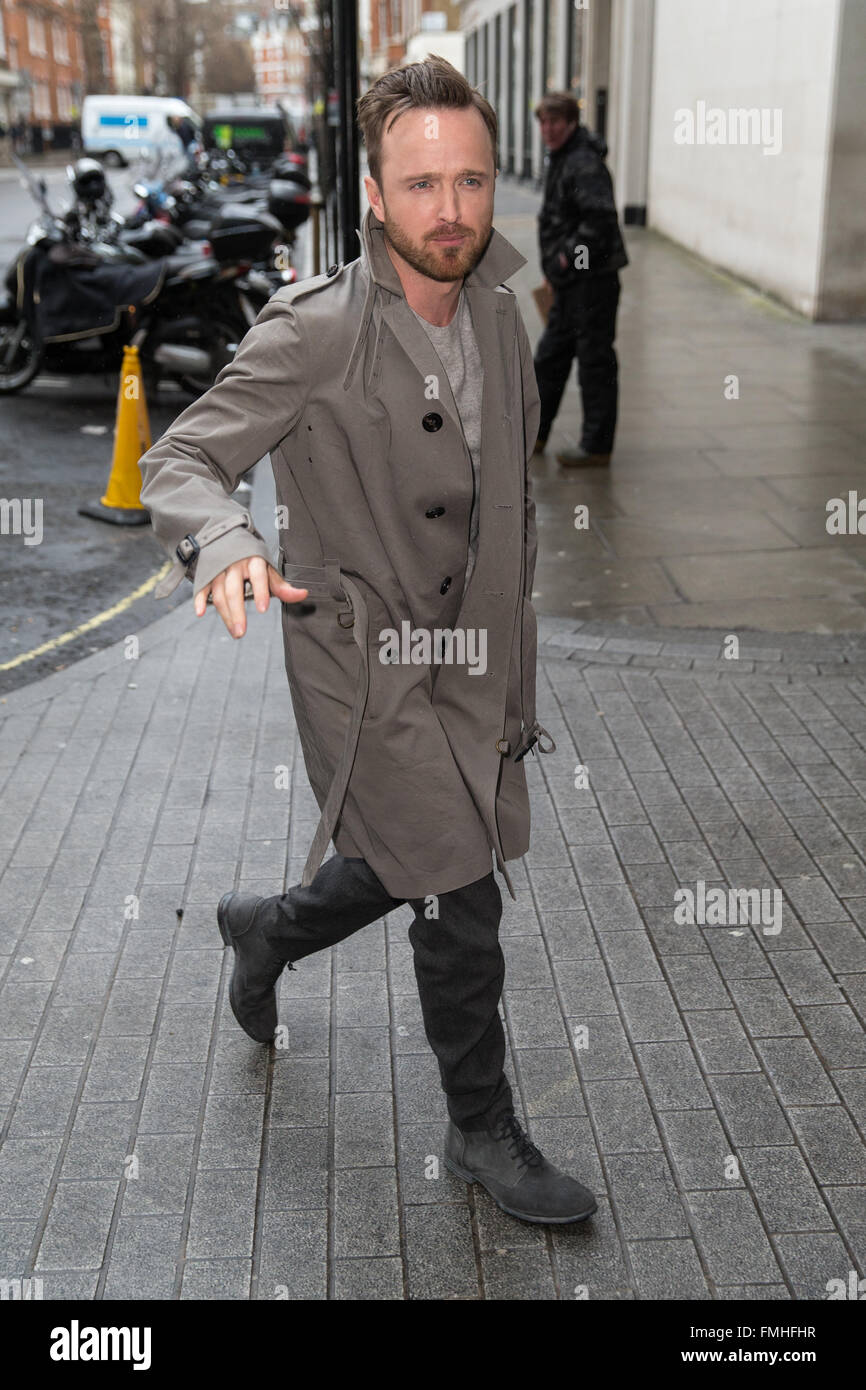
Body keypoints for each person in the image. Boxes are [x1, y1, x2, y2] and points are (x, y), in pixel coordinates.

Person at [138, 54, 596, 1228]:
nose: (450, 210)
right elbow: (181, 457)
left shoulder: (498, 309)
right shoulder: (316, 333)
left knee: (410, 864)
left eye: (472, 181)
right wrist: (227, 540)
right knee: (459, 890)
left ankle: (262, 928)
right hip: (366, 668)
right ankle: (479, 1123)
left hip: (474, 655)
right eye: (421, 184)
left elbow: (509, 498)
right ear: (375, 196)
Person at [533, 93, 628, 468]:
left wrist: (564, 257)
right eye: (543, 122)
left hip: (592, 281)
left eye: (555, 122)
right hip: (572, 281)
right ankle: (535, 434)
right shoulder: (563, 158)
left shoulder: (583, 162)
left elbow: (599, 220)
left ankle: (596, 445)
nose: (548, 129)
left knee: (594, 361)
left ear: (571, 123)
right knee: (551, 357)